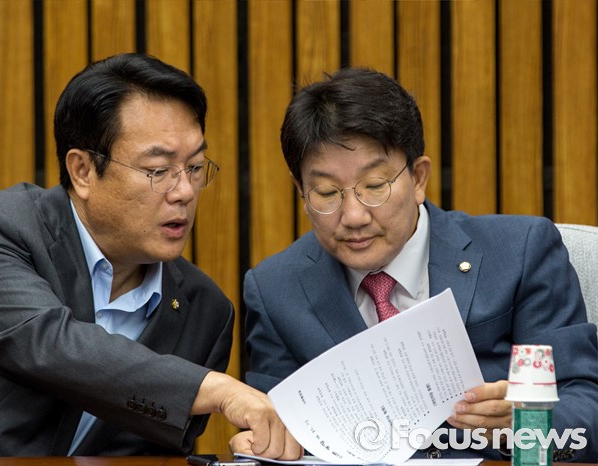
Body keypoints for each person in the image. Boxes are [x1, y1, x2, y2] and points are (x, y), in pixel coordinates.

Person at [0, 53, 300, 459]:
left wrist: (252, 450)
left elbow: (143, 457)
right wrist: (212, 388)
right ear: (83, 171)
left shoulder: (204, 311)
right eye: (158, 171)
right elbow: (49, 344)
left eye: (194, 167)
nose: (184, 192)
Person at [237, 67, 598, 461]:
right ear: (301, 192)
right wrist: (259, 445)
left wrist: (524, 426)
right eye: (326, 192)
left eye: (375, 186)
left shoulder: (519, 252)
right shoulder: (275, 290)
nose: (354, 215)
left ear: (419, 178)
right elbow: (270, 426)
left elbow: (586, 408)